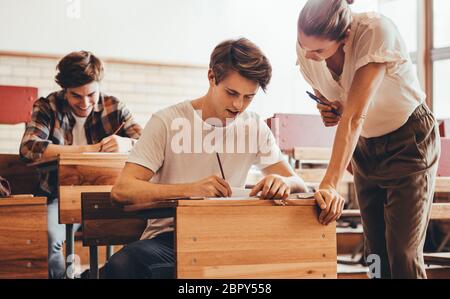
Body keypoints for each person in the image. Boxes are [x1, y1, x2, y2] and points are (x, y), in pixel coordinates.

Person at [106, 38, 309, 278]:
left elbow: (299, 185)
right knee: (126, 264)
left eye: (248, 97)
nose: (238, 105)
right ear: (212, 77)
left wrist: (283, 182)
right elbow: (122, 189)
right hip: (172, 238)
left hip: (232, 238)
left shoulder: (254, 126)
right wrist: (191, 190)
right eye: (231, 93)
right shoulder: (167, 121)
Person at [296, 0, 440, 278]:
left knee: (402, 253)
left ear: (345, 35)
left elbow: (355, 116)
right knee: (374, 253)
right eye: (304, 46)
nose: (309, 55)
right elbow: (338, 100)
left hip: (408, 140)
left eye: (318, 50)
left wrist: (329, 183)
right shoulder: (307, 48)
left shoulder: (375, 31)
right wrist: (329, 107)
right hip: (366, 146)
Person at [19, 51, 142, 279]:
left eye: (91, 94)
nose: (85, 103)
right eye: (76, 96)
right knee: (46, 238)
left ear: (99, 86)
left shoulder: (114, 107)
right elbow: (28, 149)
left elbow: (148, 146)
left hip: (109, 194)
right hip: (59, 195)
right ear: (64, 89)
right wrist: (90, 149)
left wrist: (126, 143)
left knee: (147, 234)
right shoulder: (48, 107)